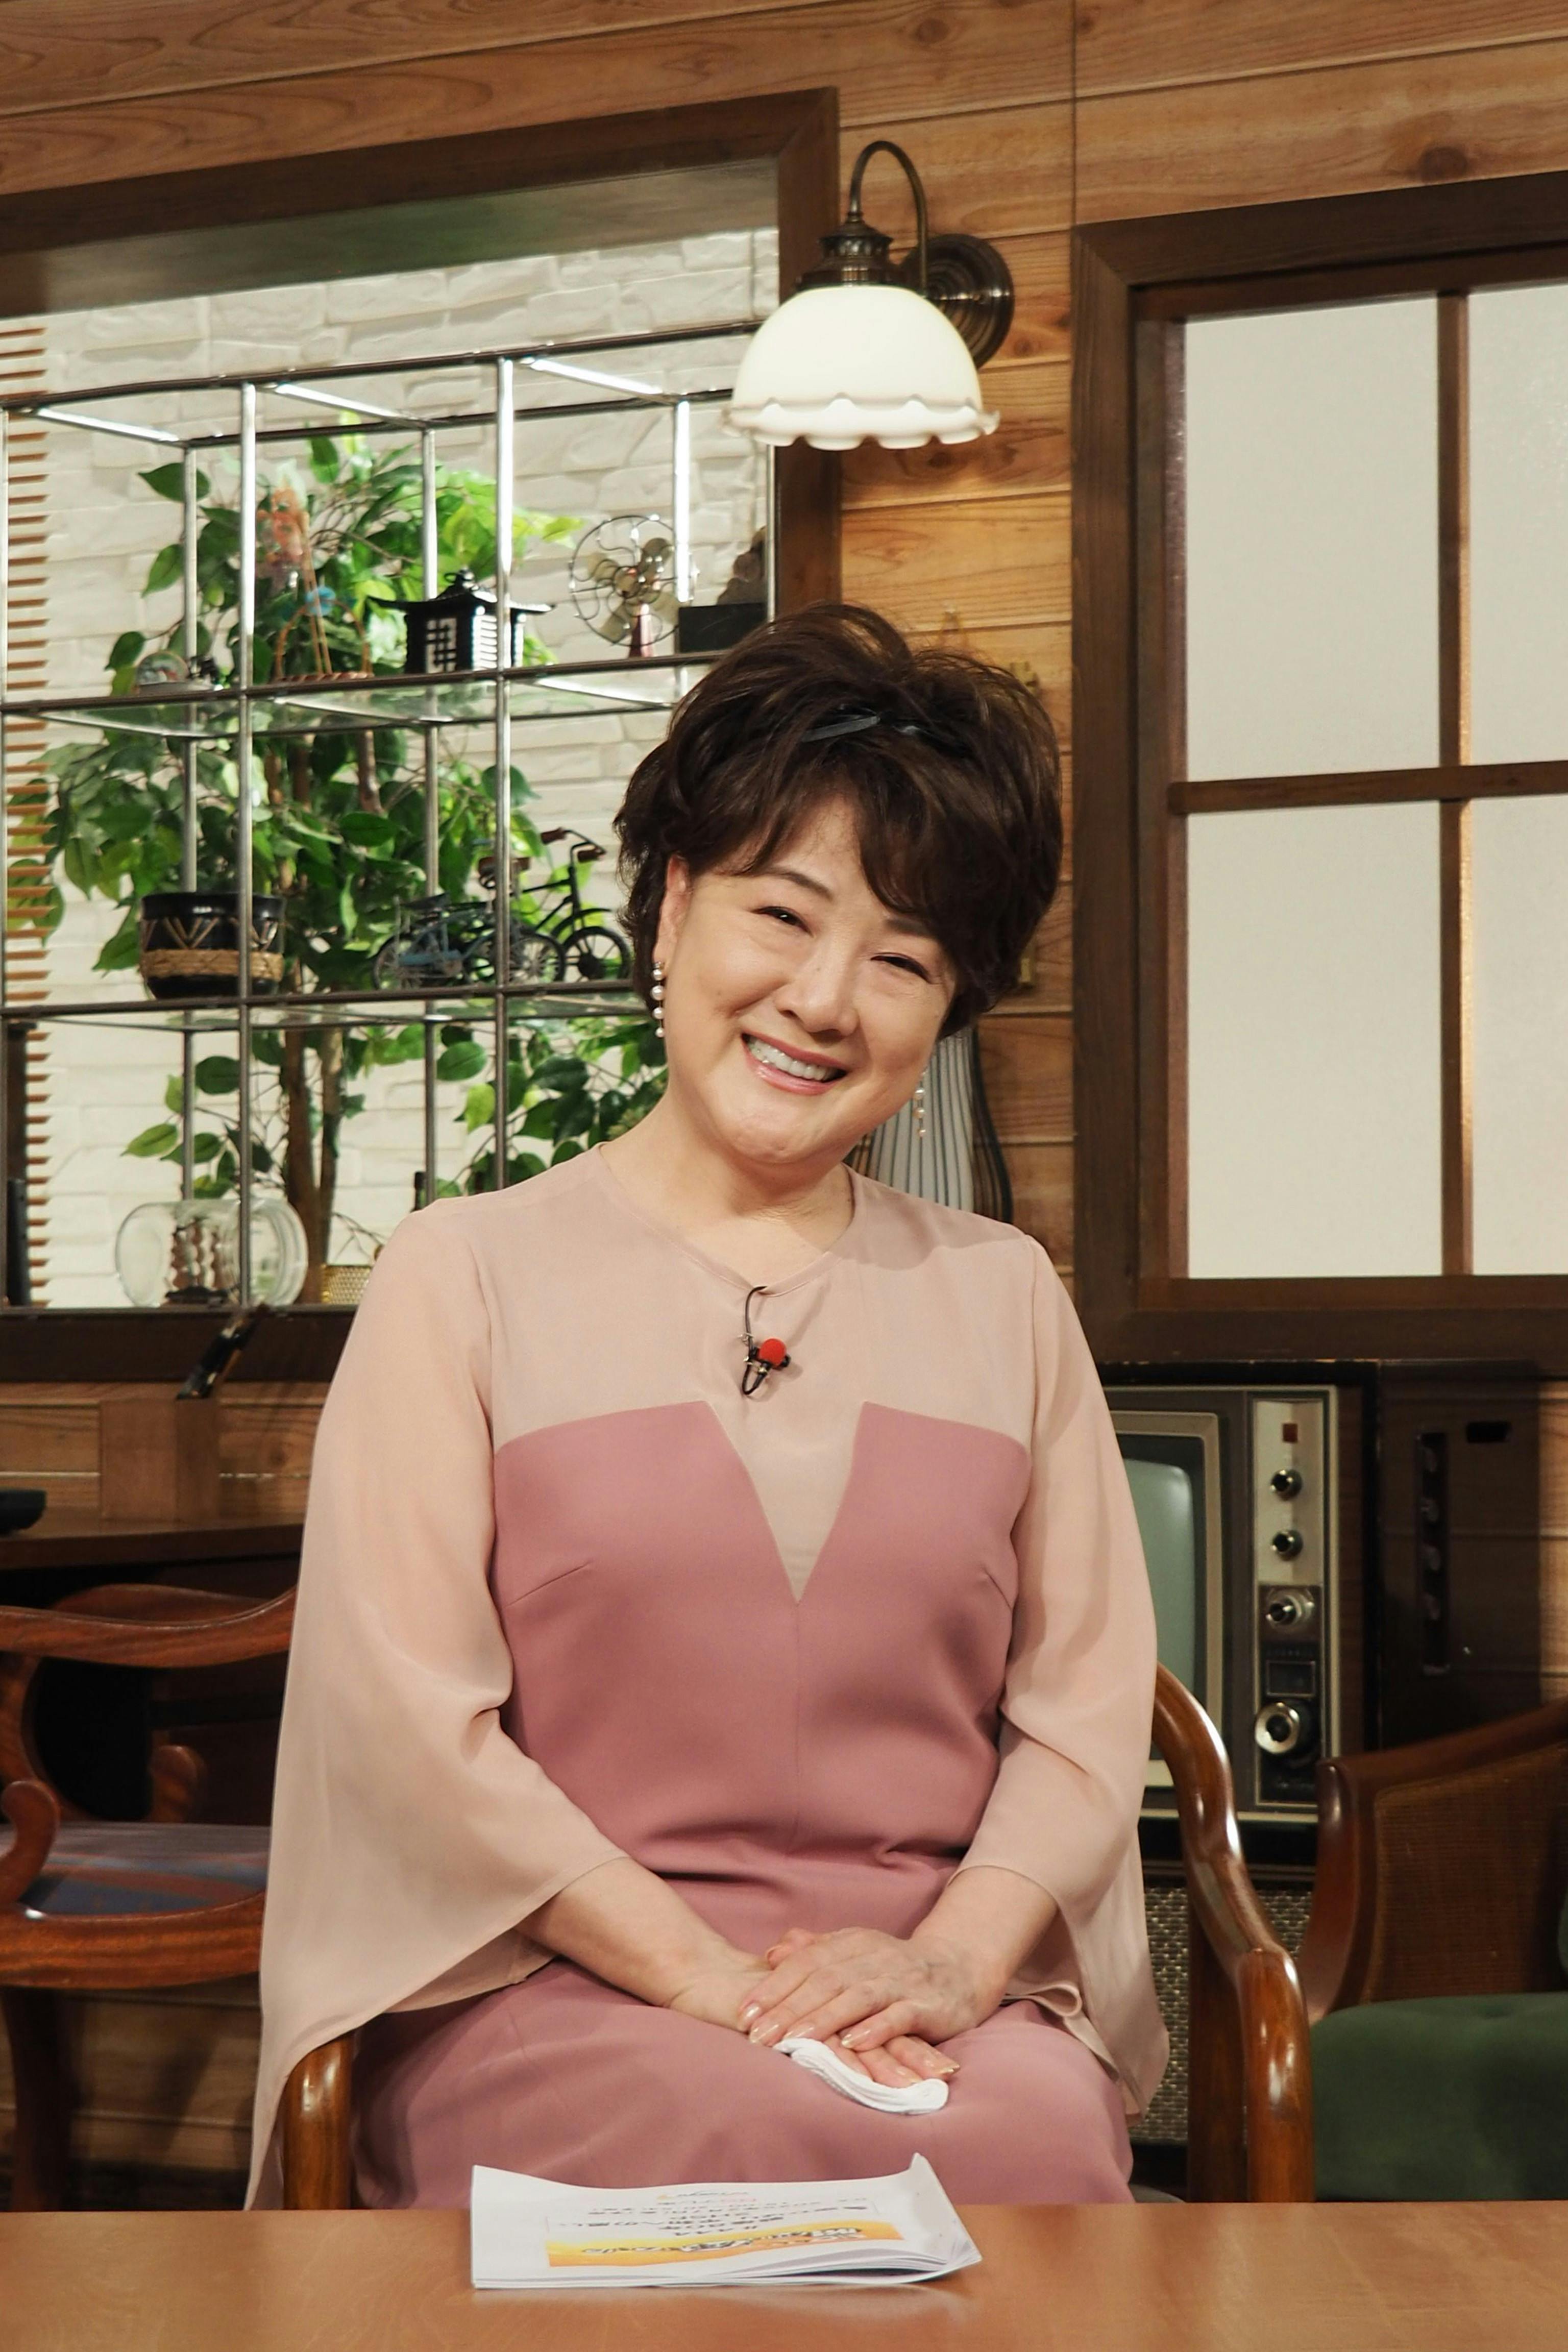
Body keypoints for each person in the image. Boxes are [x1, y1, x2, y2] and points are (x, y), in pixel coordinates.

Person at [248, 603, 1166, 2209]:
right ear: (673, 908)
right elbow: (412, 1733)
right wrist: (704, 1979)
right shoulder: (462, 1278)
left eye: (903, 959)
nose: (825, 999)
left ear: (948, 1011)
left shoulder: (1006, 1294)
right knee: (746, 2136)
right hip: (552, 1978)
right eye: (782, 915)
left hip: (921, 1995)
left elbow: (1083, 1713)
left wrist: (953, 1964)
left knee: (1028, 2137)